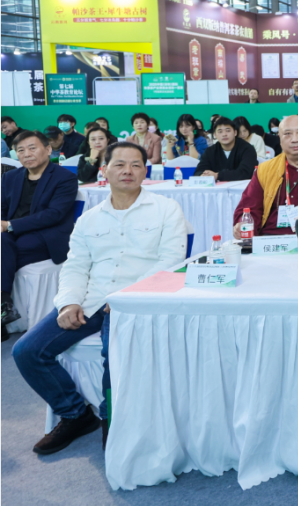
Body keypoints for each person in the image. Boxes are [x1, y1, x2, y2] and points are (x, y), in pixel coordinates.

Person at [13, 140, 187, 454]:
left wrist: (127, 297)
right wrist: (68, 302)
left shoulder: (166, 209)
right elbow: (76, 265)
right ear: (104, 170)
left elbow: (170, 262)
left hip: (135, 303)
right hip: (92, 301)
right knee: (27, 351)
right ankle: (75, 414)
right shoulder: (89, 218)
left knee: (114, 357)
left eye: (136, 165)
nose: (128, 171)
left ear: (145, 171)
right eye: (119, 164)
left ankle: (112, 421)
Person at [2, 131, 79, 323]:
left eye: (32, 148)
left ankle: (4, 306)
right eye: (20, 150)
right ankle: (3, 302)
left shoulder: (65, 177)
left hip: (46, 234)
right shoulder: (11, 177)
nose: (26, 154)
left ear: (48, 149)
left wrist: (10, 225)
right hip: (11, 233)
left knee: (9, 249)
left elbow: (54, 214)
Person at [192, 117, 258, 181]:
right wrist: (203, 175)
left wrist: (218, 175)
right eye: (220, 131)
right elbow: (198, 172)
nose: (224, 134)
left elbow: (245, 173)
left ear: (235, 132)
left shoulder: (247, 149)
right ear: (215, 135)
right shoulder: (210, 151)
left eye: (228, 131)